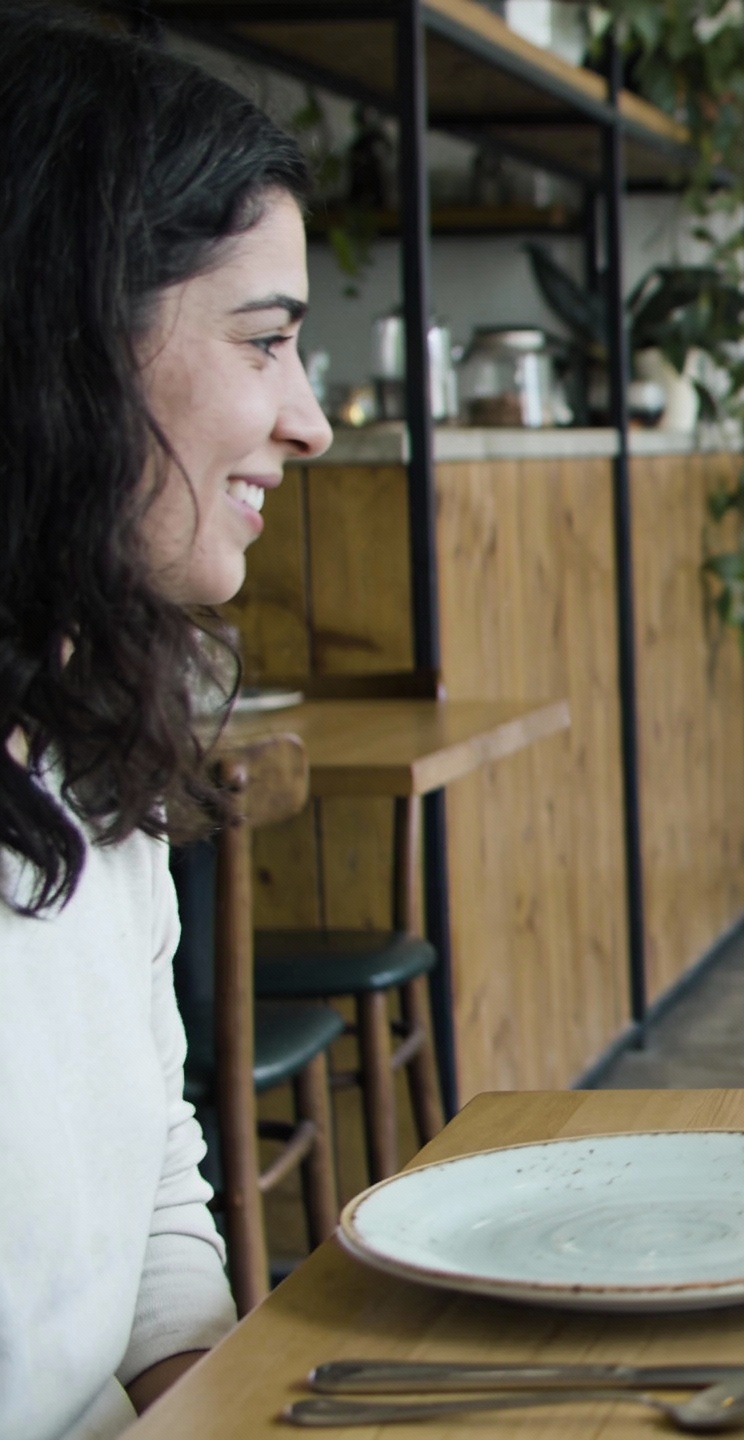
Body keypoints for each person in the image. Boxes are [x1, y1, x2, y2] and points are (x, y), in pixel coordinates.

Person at [0, 10, 331, 1438]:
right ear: (60, 338)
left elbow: (154, 1200)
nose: (310, 421)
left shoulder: (86, 746)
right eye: (265, 340)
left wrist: (214, 1409)